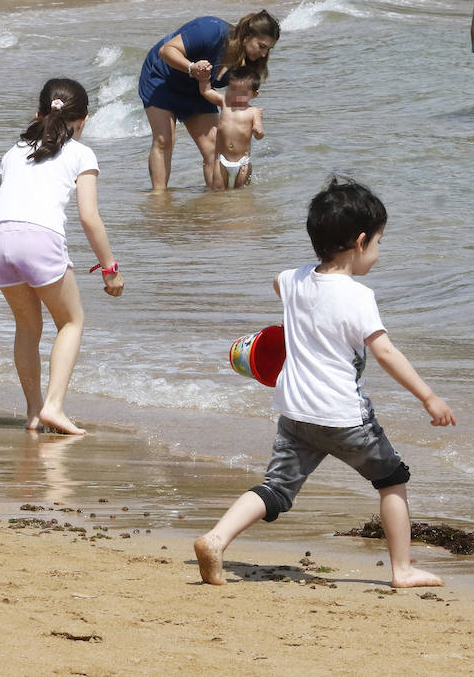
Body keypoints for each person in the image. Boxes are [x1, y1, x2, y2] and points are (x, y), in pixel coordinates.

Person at [194, 177, 457, 590]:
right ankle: (402, 570)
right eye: (379, 242)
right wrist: (428, 396)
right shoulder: (357, 296)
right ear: (361, 240)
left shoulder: (292, 279)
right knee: (392, 479)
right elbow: (386, 353)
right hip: (344, 418)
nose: (378, 252)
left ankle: (216, 538)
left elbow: (278, 283)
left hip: (295, 412)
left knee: (275, 488)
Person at [0, 78, 123, 435]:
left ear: (39, 113)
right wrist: (110, 269)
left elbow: (9, 199)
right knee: (71, 322)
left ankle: (33, 412)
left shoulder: (13, 151)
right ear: (84, 121)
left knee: (28, 326)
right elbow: (89, 217)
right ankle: (54, 407)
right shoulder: (81, 153)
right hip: (39, 238)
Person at [138, 11, 280, 190]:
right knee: (164, 139)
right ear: (247, 36)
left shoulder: (246, 64)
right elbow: (165, 50)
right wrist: (192, 67)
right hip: (161, 78)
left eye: (269, 49)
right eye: (262, 46)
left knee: (214, 149)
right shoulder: (211, 30)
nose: (264, 54)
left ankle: (216, 205)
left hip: (198, 89)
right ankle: (159, 201)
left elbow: (235, 104)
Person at [199, 70, 264, 190]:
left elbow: (259, 133)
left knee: (241, 193)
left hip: (243, 162)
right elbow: (206, 91)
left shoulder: (254, 111)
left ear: (254, 95)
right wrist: (204, 79)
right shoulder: (224, 102)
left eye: (242, 93)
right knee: (218, 190)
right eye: (232, 89)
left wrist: (258, 131)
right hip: (222, 160)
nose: (235, 95)